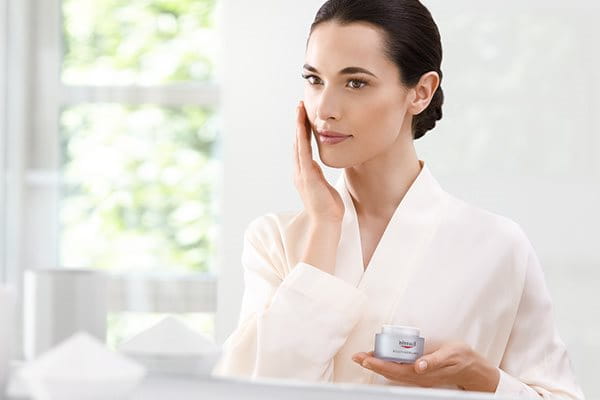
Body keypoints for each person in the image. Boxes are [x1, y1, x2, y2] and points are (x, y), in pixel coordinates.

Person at [212, 0, 585, 398]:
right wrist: (324, 224)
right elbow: (255, 391)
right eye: (314, 79)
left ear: (420, 92)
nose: (325, 109)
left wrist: (482, 377)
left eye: (356, 83)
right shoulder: (275, 239)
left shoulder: (497, 245)